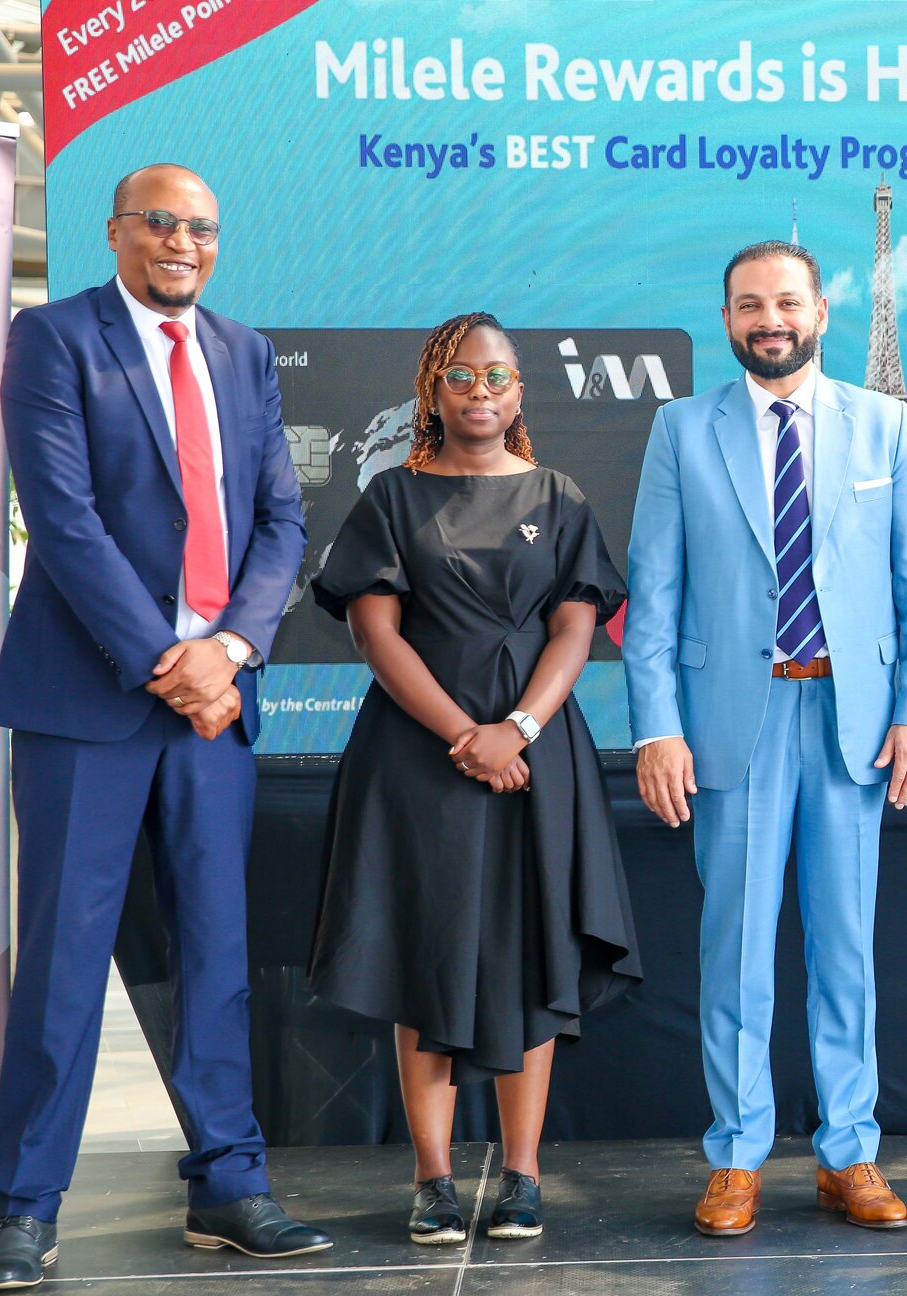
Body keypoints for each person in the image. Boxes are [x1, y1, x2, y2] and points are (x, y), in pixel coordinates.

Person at [0, 164, 323, 1290]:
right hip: (90, 702)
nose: (183, 242)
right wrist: (169, 660)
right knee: (68, 963)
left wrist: (228, 650)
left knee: (215, 953)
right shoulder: (54, 336)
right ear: (118, 231)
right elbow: (62, 518)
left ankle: (228, 1184)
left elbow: (282, 517)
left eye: (203, 228)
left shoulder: (243, 349)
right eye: (161, 223)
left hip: (215, 700)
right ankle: (25, 1207)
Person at [623, 241, 907, 1236]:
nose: (769, 318)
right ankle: (735, 1155)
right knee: (734, 952)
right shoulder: (681, 430)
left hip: (850, 727)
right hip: (736, 720)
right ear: (726, 319)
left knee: (844, 948)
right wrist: (656, 731)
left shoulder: (883, 425)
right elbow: (653, 596)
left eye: (786, 301)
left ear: (820, 310)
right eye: (748, 304)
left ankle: (847, 1152)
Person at [307, 313, 642, 1246]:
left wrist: (519, 729)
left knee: (532, 956)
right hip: (419, 761)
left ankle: (523, 1177)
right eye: (462, 377)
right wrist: (467, 736)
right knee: (429, 960)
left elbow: (577, 627)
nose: (481, 391)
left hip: (540, 758)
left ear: (520, 390)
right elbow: (376, 635)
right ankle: (433, 1182)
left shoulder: (560, 495)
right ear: (434, 392)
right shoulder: (391, 499)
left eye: (498, 376)